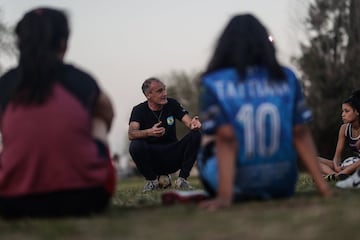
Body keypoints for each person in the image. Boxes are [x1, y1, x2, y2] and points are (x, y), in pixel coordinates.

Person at [196, 14, 332, 210]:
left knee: (209, 140)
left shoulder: (213, 82)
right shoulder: (287, 77)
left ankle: (227, 187)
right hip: (282, 183)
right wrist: (323, 188)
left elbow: (226, 139)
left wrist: (225, 197)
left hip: (237, 185)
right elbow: (300, 133)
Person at [0, 7, 115, 217]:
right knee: (97, 115)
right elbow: (107, 112)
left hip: (12, 202)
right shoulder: (81, 80)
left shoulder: (6, 85)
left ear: (20, 43)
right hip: (87, 196)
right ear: (63, 42)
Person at [128, 77, 201, 192]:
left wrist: (193, 124)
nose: (164, 94)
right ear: (148, 95)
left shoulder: (172, 104)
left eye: (164, 90)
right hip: (153, 159)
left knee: (196, 134)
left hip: (173, 154)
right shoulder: (138, 110)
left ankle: (182, 180)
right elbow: (131, 134)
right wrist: (149, 132)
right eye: (160, 91)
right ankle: (152, 181)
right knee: (135, 145)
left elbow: (188, 121)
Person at [318, 91, 360, 182]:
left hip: (357, 165)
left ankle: (339, 175)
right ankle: (334, 175)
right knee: (313, 159)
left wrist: (347, 167)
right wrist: (337, 166)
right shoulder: (344, 129)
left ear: (357, 111)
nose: (342, 115)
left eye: (347, 111)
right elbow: (337, 156)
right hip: (351, 166)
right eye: (342, 111)